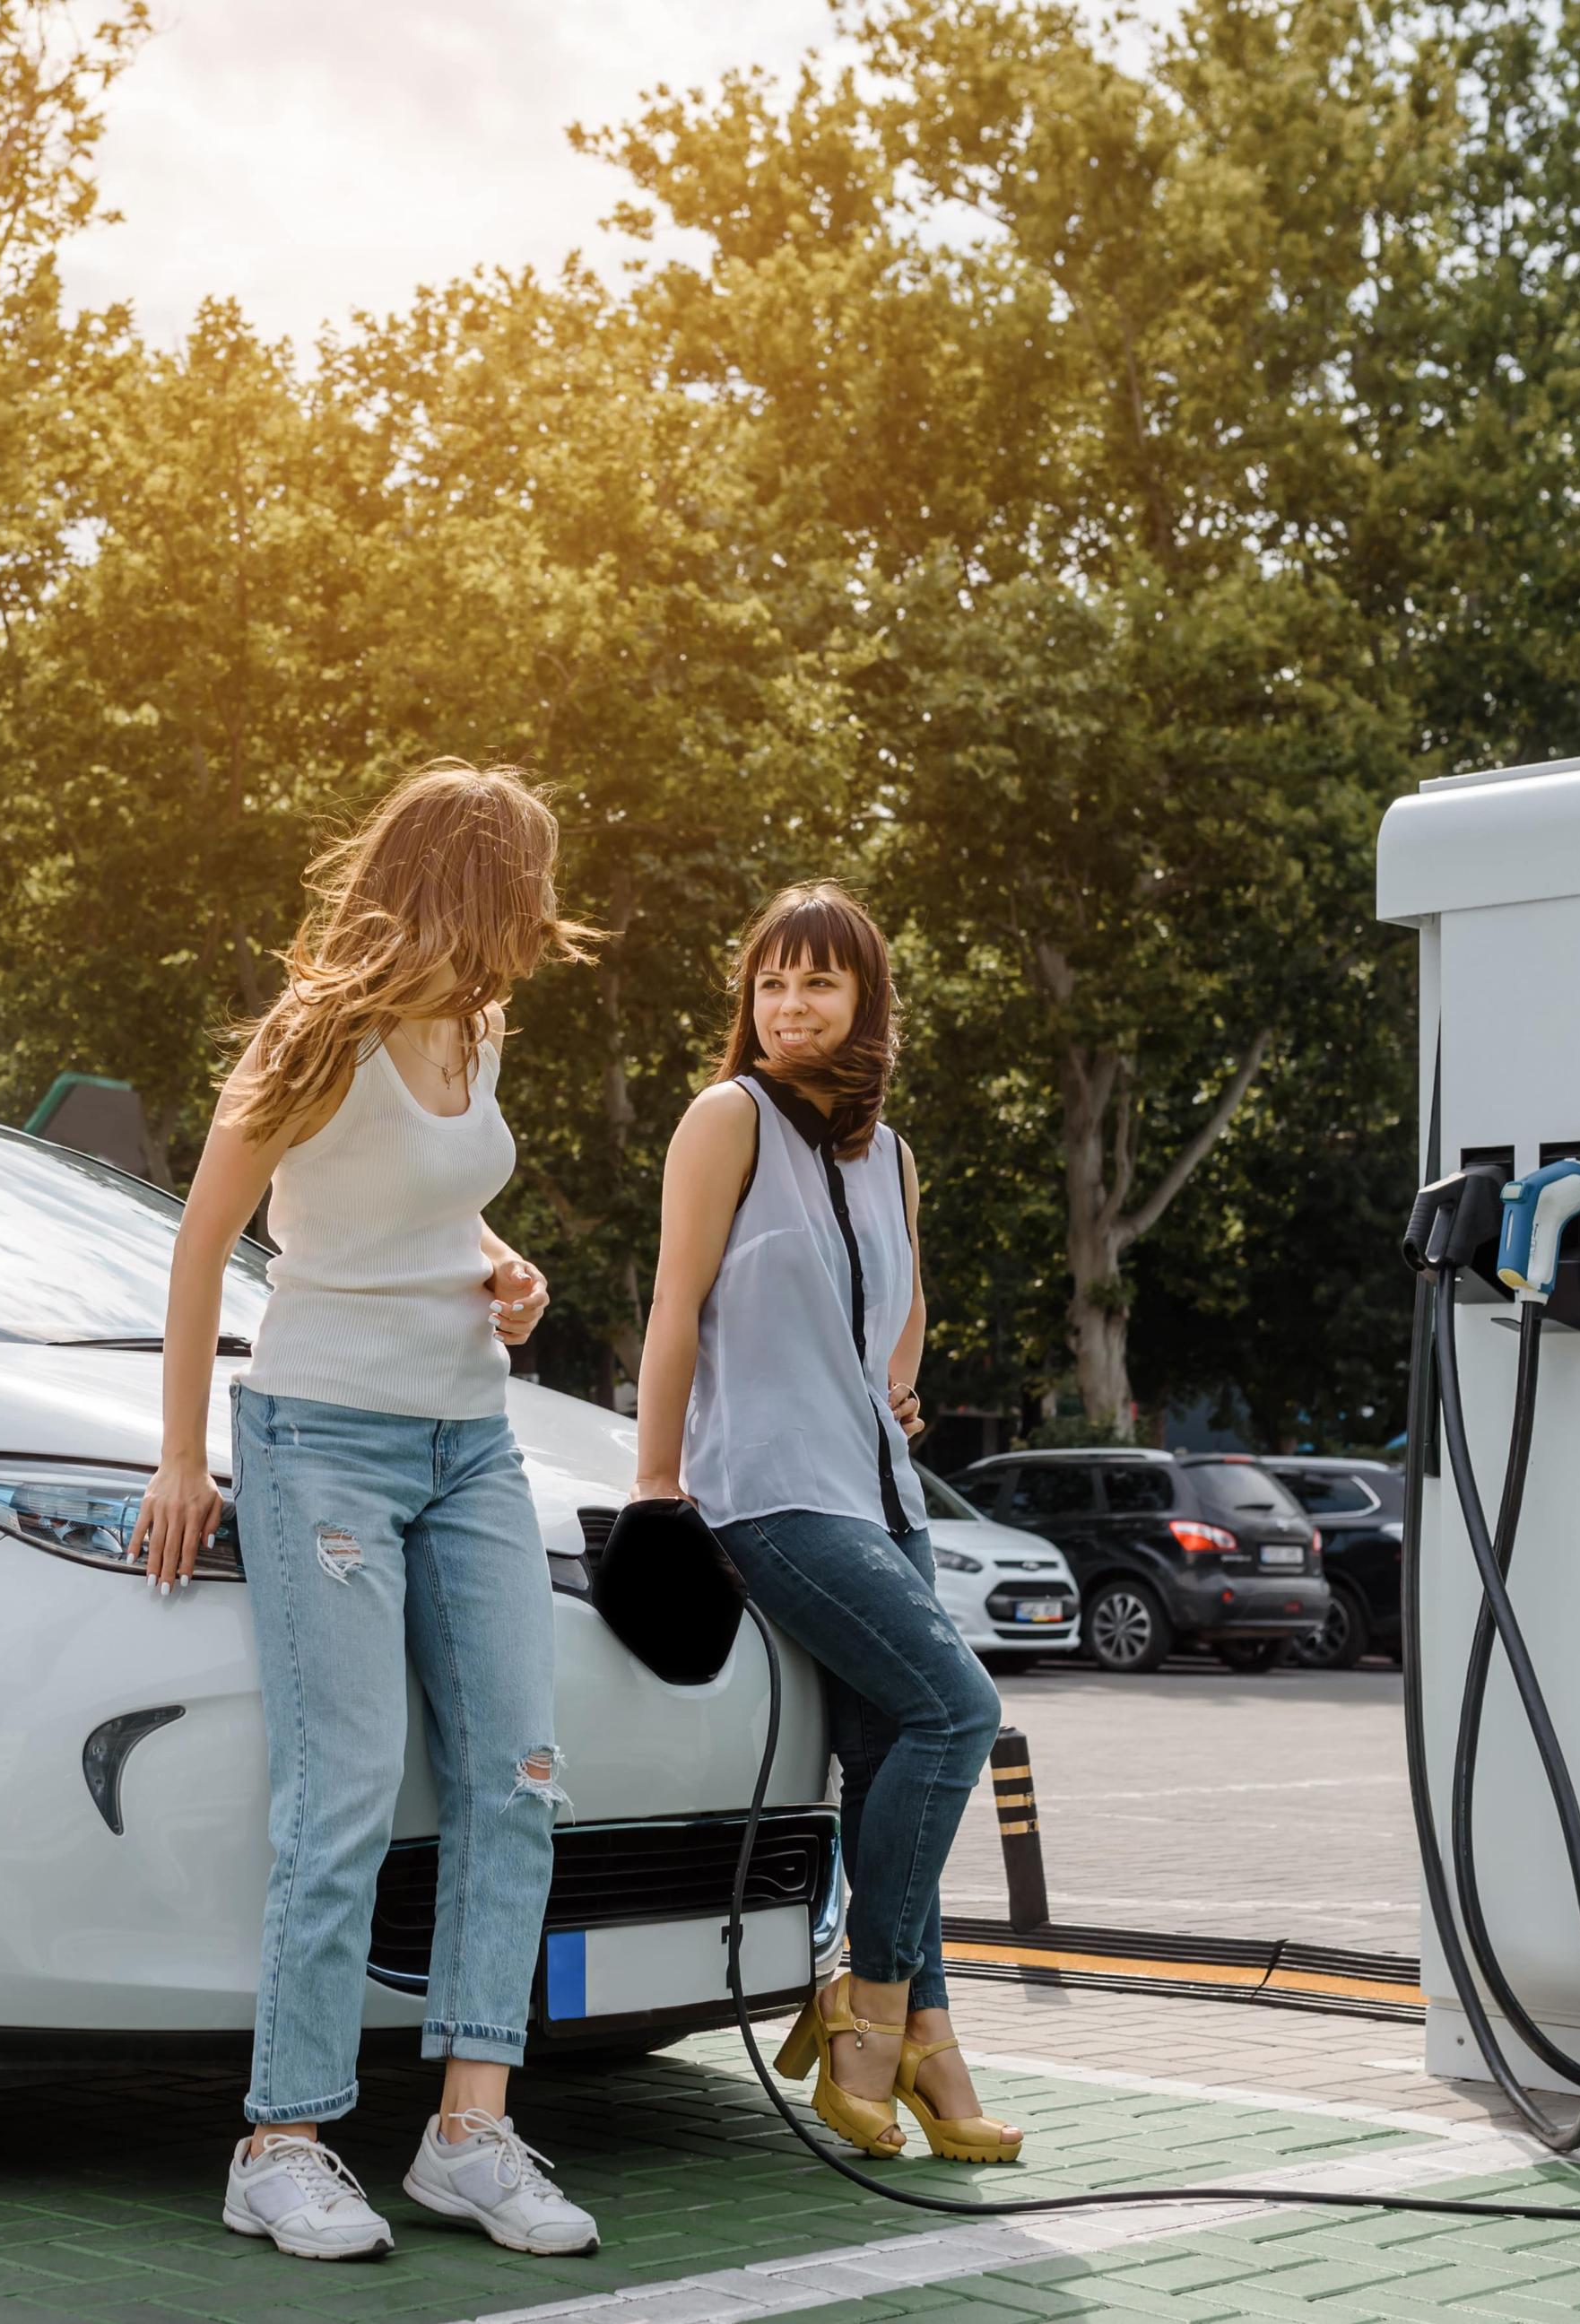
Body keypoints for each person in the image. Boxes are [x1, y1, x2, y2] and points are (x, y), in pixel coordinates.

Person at [135, 762, 602, 2264]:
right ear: (474, 882)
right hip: (320, 1437)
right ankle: (279, 2142)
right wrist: (185, 1456)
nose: (543, 915)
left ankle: (468, 2132)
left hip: (472, 1438)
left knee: (518, 1779)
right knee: (344, 1791)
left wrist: (504, 1264)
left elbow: (420, 1203)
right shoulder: (316, 1033)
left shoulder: (477, 1023)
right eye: (526, 882)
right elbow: (208, 1243)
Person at [628, 881, 1022, 2163]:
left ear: (868, 1002)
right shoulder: (724, 1117)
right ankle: (876, 2008)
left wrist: (896, 1386)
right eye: (771, 985)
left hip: (881, 1496)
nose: (790, 1008)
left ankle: (921, 2048)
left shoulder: (890, 1154)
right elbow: (675, 1304)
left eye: (820, 984)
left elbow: (900, 1307)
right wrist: (654, 1483)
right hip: (770, 1490)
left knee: (893, 1782)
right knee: (958, 1711)